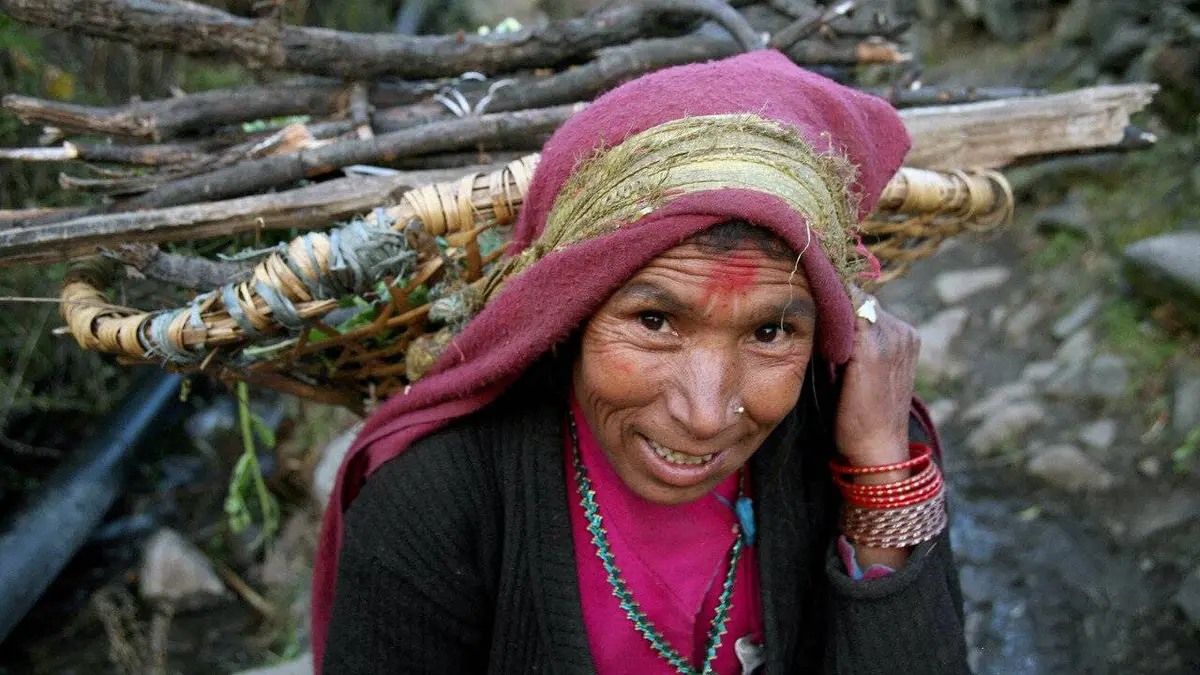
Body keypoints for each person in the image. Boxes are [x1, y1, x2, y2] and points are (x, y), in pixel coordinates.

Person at [313, 50, 970, 674]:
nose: (706, 414)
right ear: (569, 312)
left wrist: (880, 474)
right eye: (655, 321)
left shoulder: (858, 444)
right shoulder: (437, 504)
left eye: (770, 331)